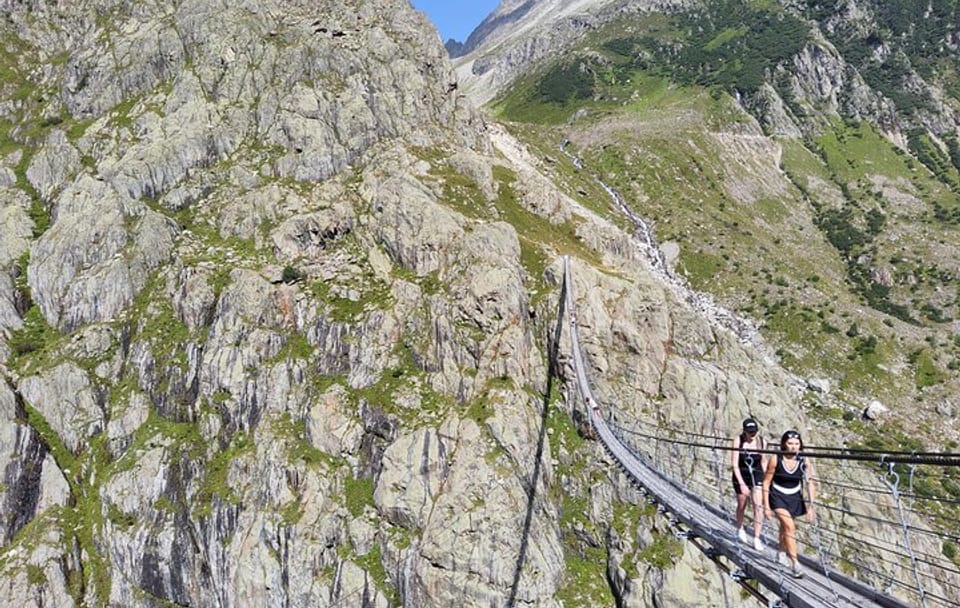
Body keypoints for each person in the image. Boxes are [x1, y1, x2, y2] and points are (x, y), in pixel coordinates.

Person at [763, 429, 817, 579]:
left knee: (785, 528)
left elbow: (810, 483)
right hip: (777, 496)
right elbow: (766, 483)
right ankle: (795, 563)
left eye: (797, 444)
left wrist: (811, 507)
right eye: (790, 443)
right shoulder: (776, 459)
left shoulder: (804, 460)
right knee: (789, 527)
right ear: (784, 444)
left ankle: (781, 552)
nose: (794, 447)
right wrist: (766, 506)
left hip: (794, 496)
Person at [731, 418, 766, 552]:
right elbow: (734, 463)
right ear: (744, 432)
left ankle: (757, 538)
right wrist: (741, 483)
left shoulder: (762, 442)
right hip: (741, 474)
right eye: (749, 432)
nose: (752, 435)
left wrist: (766, 479)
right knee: (742, 504)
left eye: (754, 432)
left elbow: (763, 461)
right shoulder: (738, 441)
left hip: (756, 474)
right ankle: (739, 528)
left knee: (758, 506)